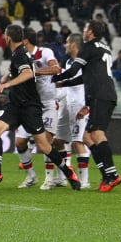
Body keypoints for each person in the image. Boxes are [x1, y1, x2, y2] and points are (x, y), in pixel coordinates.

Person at [0, 25, 80, 190]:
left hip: (30, 107)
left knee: (44, 146)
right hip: (15, 104)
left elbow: (28, 73)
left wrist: (7, 84)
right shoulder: (20, 53)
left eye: (5, 34)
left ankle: (69, 173)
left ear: (8, 37)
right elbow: (21, 69)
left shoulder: (20, 54)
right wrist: (7, 75)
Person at [52, 21, 121, 192]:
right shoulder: (104, 48)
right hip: (105, 95)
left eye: (85, 29)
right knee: (86, 137)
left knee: (97, 134)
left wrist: (52, 77)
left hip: (100, 96)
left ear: (90, 32)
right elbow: (86, 77)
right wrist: (66, 83)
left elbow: (73, 69)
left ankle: (112, 175)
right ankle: (106, 174)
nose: (84, 32)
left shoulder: (88, 47)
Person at [14, 27, 62, 190]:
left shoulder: (44, 52)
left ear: (25, 40)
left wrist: (36, 72)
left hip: (48, 104)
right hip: (31, 106)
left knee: (46, 143)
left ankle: (49, 179)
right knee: (20, 142)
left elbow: (56, 69)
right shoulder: (21, 57)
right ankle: (31, 177)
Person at [53, 33, 91, 189]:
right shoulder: (69, 62)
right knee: (57, 141)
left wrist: (87, 107)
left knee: (78, 141)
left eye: (67, 43)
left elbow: (89, 86)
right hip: (67, 107)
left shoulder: (84, 65)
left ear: (74, 45)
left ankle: (85, 181)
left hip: (79, 106)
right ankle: (62, 177)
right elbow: (67, 87)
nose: (65, 45)